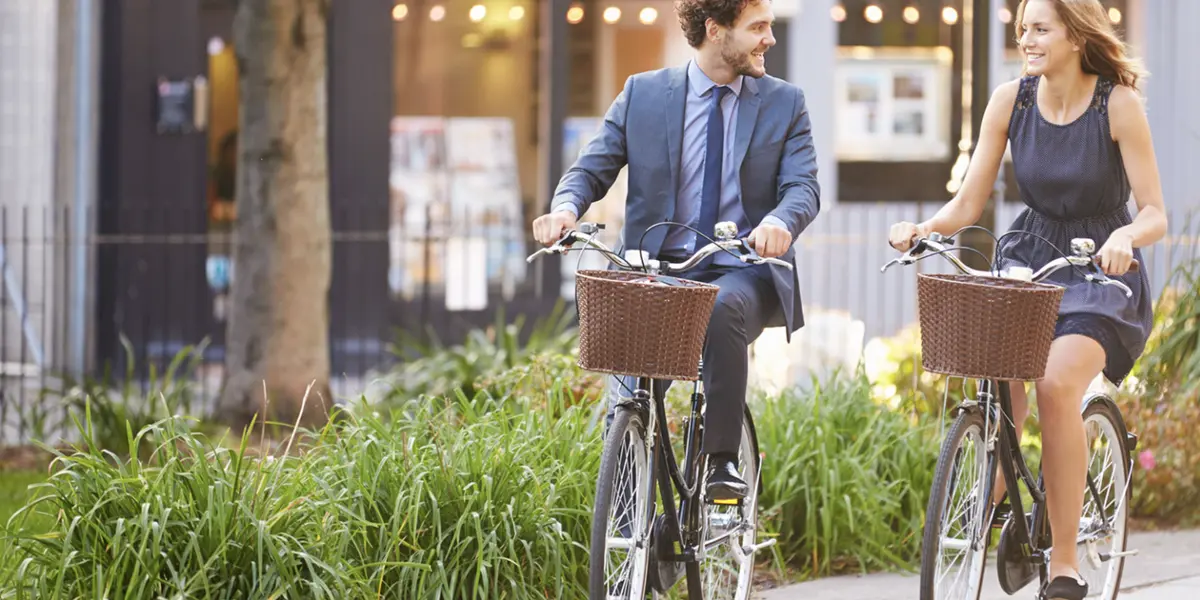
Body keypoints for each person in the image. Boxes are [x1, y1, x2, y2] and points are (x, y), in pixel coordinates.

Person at [888, 1, 1167, 598]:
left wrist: (1125, 236)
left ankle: (1063, 564)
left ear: (1074, 34)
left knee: (1057, 383)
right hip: (1031, 256)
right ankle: (1000, 503)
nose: (1027, 39)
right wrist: (924, 229)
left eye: (1040, 28)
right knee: (998, 373)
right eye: (1022, 29)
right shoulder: (1010, 101)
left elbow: (1155, 213)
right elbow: (967, 205)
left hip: (1098, 268)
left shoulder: (1116, 104)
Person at [531, 0, 820, 501]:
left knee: (721, 307)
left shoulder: (784, 102)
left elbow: (803, 187)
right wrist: (564, 209)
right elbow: (590, 169)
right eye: (758, 27)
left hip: (739, 268)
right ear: (715, 30)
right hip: (654, 266)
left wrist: (779, 221)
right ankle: (633, 516)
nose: (770, 38)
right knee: (629, 403)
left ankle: (722, 464)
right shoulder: (643, 94)